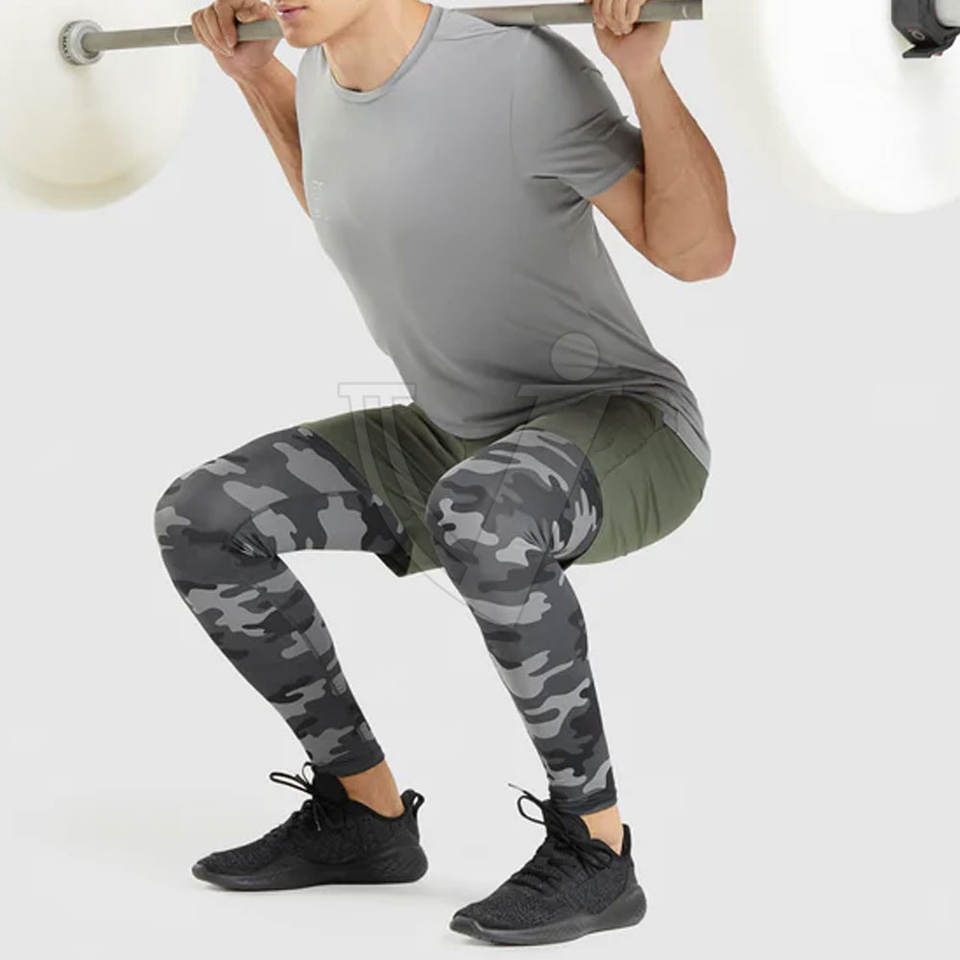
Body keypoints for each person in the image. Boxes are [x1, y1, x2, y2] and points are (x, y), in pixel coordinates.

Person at [154, 0, 733, 945]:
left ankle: (598, 852)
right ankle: (364, 815)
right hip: (459, 438)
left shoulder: (517, 73)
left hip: (628, 429)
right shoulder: (317, 70)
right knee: (206, 518)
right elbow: (350, 198)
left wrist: (643, 72)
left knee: (483, 511)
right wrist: (256, 80)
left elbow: (701, 254)